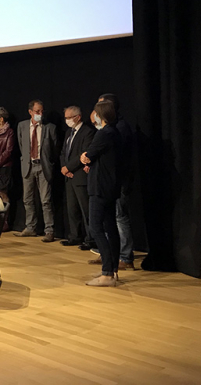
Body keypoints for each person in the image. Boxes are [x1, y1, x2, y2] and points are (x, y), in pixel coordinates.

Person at [81, 100, 122, 286]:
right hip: (110, 185)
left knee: (96, 227)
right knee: (110, 227)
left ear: (101, 115)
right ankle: (112, 269)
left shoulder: (103, 134)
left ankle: (107, 273)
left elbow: (88, 155)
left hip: (100, 188)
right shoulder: (115, 132)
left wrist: (87, 158)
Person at [96, 93, 135, 270]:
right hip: (109, 181)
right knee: (109, 219)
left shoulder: (119, 128)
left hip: (119, 181)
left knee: (120, 217)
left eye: (100, 106)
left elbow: (120, 158)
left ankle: (125, 257)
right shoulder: (110, 128)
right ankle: (109, 254)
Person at [16, 100, 59, 242]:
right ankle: (30, 227)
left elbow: (54, 149)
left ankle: (49, 230)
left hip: (43, 166)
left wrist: (48, 163)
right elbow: (22, 145)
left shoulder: (49, 127)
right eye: (37, 111)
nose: (40, 114)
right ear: (30, 112)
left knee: (45, 200)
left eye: (42, 111)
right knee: (27, 199)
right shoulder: (22, 126)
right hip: (28, 166)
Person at [60, 105, 96, 248]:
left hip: (80, 175)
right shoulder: (69, 132)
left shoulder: (87, 132)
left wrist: (69, 167)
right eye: (66, 118)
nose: (67, 120)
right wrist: (64, 167)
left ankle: (90, 239)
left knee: (85, 209)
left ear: (78, 117)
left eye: (69, 118)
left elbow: (84, 153)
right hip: (68, 176)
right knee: (72, 209)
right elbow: (63, 152)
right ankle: (75, 236)